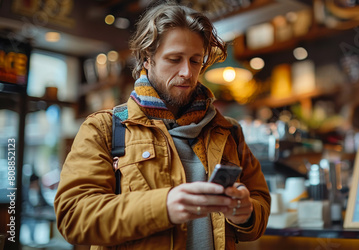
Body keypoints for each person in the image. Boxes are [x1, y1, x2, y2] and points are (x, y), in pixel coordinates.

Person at [54, 3, 270, 250]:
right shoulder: (103, 128)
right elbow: (72, 217)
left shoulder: (228, 131)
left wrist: (247, 213)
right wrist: (163, 206)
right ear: (147, 58)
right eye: (174, 59)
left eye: (195, 61)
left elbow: (260, 207)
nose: (187, 72)